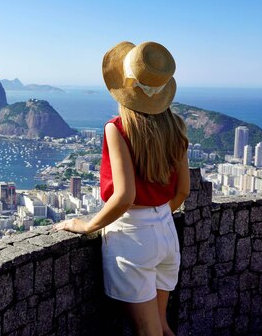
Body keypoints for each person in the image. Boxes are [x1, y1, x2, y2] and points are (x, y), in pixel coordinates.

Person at [53, 41, 190, 336]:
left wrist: (87, 224)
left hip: (132, 238)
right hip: (167, 233)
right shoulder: (177, 126)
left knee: (148, 332)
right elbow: (183, 192)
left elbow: (125, 196)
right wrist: (156, 218)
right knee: (163, 327)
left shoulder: (117, 128)